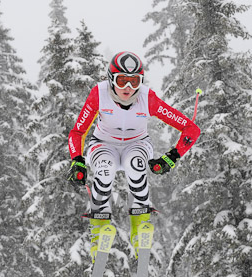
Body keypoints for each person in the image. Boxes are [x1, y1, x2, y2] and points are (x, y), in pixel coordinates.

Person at [67, 51, 200, 261]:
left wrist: (172, 157)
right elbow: (77, 132)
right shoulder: (99, 94)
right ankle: (99, 230)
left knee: (135, 166)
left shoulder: (147, 98)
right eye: (122, 80)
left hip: (136, 144)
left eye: (134, 81)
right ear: (111, 79)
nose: (128, 88)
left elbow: (191, 129)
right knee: (105, 170)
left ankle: (139, 228)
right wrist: (77, 160)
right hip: (103, 144)